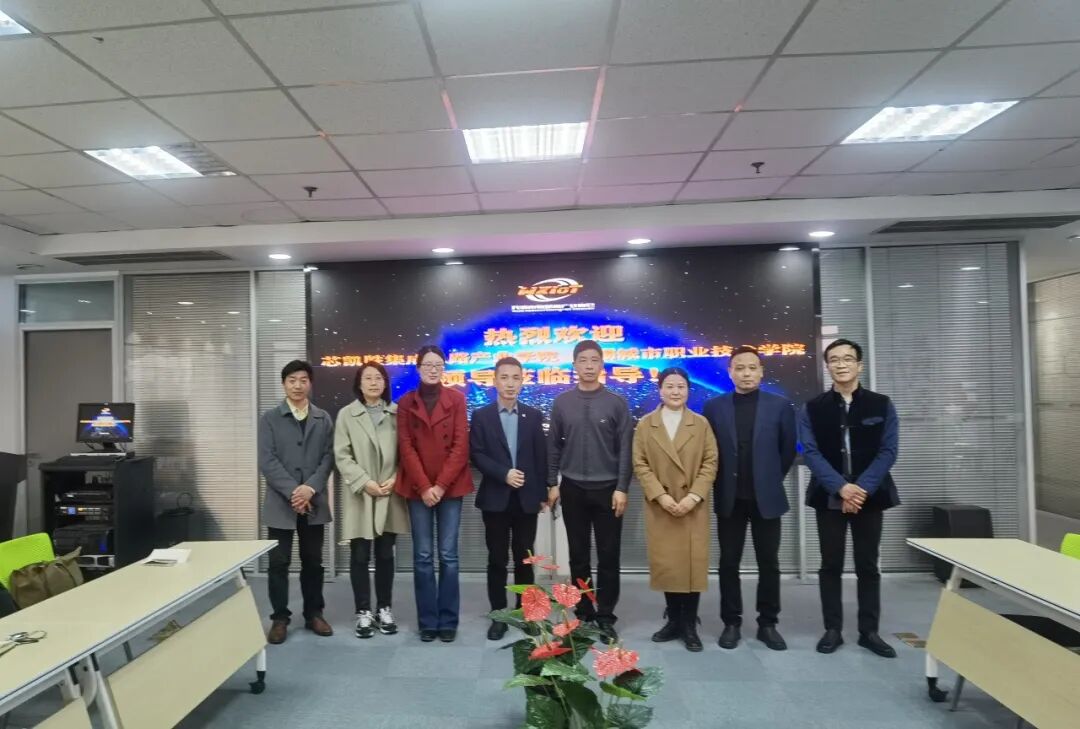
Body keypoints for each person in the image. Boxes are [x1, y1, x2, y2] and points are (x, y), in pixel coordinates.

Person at [799, 338, 900, 658]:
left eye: (847, 359)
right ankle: (833, 629)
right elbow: (810, 453)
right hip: (829, 496)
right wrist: (841, 488)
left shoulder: (881, 404)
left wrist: (860, 488)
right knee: (830, 564)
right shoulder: (812, 408)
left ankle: (869, 631)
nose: (840, 364)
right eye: (834, 359)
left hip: (871, 495)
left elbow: (888, 451)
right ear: (827, 366)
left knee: (867, 564)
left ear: (859, 365)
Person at [703, 346, 797, 651]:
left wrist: (768, 479)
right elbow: (709, 452)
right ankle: (731, 622)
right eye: (739, 368)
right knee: (728, 562)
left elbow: (786, 451)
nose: (746, 373)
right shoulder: (714, 407)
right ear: (730, 372)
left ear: (761, 372)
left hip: (766, 498)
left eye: (752, 368)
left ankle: (768, 623)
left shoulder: (780, 406)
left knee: (769, 562)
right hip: (729, 497)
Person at [548, 340, 633, 642]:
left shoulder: (616, 403)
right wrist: (552, 483)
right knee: (578, 555)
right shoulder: (562, 403)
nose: (588, 365)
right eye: (582, 360)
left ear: (601, 365)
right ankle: (583, 611)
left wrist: (622, 487)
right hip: (572, 488)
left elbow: (626, 450)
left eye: (594, 360)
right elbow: (553, 446)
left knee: (609, 556)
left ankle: (606, 615)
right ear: (574, 365)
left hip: (608, 490)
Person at [633, 367, 718, 652]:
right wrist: (660, 495)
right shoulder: (646, 425)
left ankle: (689, 624)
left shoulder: (700, 424)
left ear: (688, 390)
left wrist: (694, 496)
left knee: (692, 565)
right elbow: (640, 464)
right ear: (660, 390)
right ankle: (673, 621)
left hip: (692, 506)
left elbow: (710, 462)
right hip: (662, 506)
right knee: (668, 565)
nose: (675, 391)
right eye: (669, 386)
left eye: (681, 386)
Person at [396, 345, 472, 643]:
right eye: (427, 364)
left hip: (449, 487)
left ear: (444, 368)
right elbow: (406, 448)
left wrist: (439, 486)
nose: (432, 369)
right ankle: (428, 621)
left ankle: (448, 620)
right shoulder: (406, 403)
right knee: (423, 556)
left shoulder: (457, 399)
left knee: (449, 556)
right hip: (419, 490)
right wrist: (425, 486)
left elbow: (460, 446)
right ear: (418, 369)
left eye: (438, 364)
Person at [470, 357, 548, 641]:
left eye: (516, 378)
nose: (510, 383)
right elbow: (476, 454)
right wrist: (503, 474)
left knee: (525, 559)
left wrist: (543, 493)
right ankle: (499, 614)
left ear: (522, 381)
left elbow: (540, 457)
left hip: (527, 499)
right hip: (495, 499)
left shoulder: (533, 415)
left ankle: (526, 613)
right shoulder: (482, 416)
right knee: (497, 559)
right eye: (504, 377)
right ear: (494, 381)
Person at [258, 360, 335, 644]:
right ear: (284, 384)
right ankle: (280, 618)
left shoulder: (323, 418)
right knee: (278, 563)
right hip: (281, 503)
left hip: (314, 502)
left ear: (310, 383)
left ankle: (314, 613)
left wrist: (310, 489)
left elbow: (328, 457)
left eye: (303, 380)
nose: (298, 385)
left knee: (313, 561)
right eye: (292, 380)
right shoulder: (270, 418)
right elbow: (267, 460)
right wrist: (295, 491)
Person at [334, 361, 409, 639]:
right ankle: (363, 612)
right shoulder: (347, 414)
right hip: (361, 494)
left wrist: (397, 478)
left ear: (385, 383)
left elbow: (407, 453)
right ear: (359, 383)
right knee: (360, 555)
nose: (374, 383)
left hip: (389, 492)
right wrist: (365, 482)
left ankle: (384, 608)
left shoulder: (397, 413)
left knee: (386, 554)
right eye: (368, 378)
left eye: (378, 378)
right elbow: (342, 455)